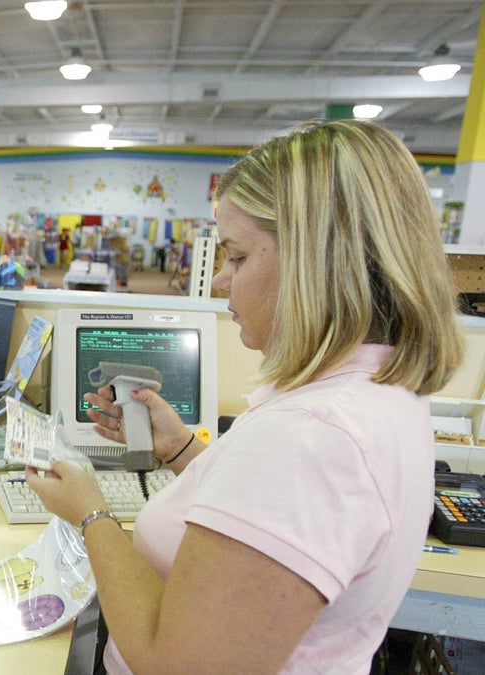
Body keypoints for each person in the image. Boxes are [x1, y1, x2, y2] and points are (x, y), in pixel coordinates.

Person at [26, 119, 464, 673]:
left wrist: (90, 512)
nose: (219, 282)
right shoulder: (375, 391)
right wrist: (183, 451)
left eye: (237, 257)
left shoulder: (313, 436)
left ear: (315, 260)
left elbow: (178, 663)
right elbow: (271, 522)